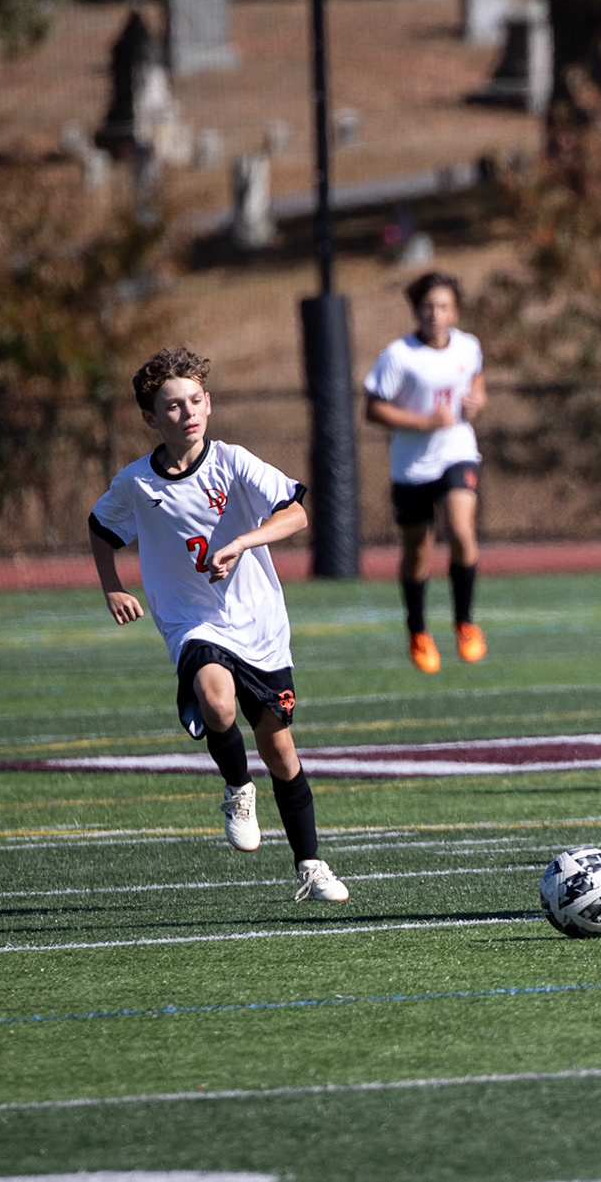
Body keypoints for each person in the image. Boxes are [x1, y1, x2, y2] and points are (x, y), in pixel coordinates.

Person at [89, 346, 349, 902]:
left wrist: (242, 541)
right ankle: (236, 787)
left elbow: (297, 510)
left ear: (209, 403)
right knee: (217, 701)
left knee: (281, 751)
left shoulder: (233, 462)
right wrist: (112, 584)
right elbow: (101, 527)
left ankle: (310, 865)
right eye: (173, 406)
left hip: (258, 624)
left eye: (196, 400)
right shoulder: (138, 483)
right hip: (192, 622)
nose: (188, 413)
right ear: (150, 418)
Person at [364, 271, 488, 674]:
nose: (435, 314)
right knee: (418, 548)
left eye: (443, 306)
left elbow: (476, 382)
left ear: (455, 310)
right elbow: (373, 408)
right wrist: (422, 422)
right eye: (428, 306)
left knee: (461, 531)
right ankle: (417, 629)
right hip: (412, 465)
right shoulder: (399, 356)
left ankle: (465, 622)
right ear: (416, 310)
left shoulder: (468, 346)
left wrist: (477, 401)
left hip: (457, 452)